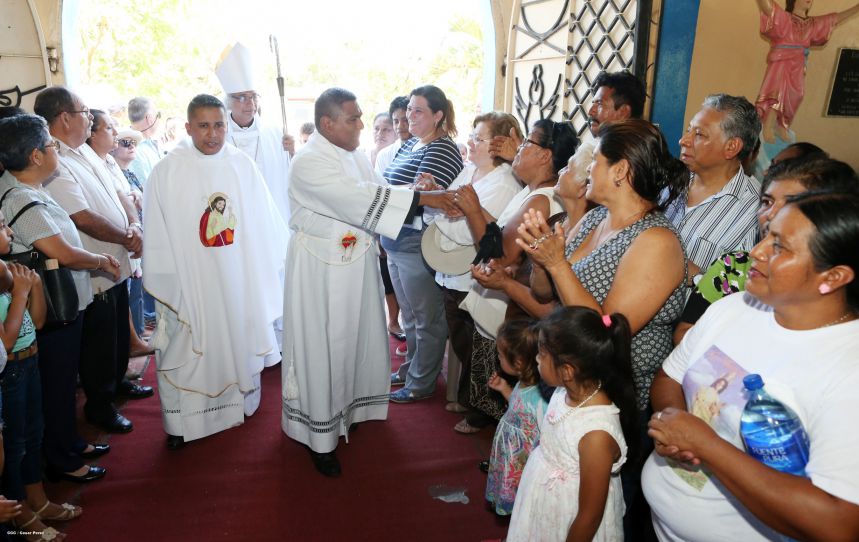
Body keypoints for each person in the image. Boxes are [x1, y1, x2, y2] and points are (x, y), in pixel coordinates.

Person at [645, 191, 859, 542]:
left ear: (833, 277)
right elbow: (669, 377)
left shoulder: (849, 369)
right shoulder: (734, 307)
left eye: (779, 247)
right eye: (766, 235)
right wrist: (676, 427)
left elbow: (839, 523)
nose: (757, 252)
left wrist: (705, 446)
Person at [517, 119, 688, 534]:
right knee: (559, 496)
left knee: (598, 512)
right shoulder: (597, 220)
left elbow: (607, 329)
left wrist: (558, 264)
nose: (587, 169)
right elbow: (545, 293)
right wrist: (541, 259)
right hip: (575, 385)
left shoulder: (657, 241)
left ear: (620, 170)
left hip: (618, 400)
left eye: (595, 160)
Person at [281, 87, 457, 477]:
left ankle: (348, 408)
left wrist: (416, 191)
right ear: (327, 123)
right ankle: (319, 434)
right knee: (323, 345)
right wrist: (424, 200)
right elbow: (354, 198)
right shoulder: (309, 162)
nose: (362, 124)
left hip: (355, 264)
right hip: (320, 269)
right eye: (353, 118)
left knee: (355, 337)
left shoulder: (355, 155)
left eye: (360, 116)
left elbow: (379, 190)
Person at [144, 94, 287, 450]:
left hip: (237, 277)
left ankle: (239, 405)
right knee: (185, 342)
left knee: (236, 332)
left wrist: (259, 268)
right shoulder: (167, 170)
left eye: (219, 125)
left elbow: (262, 224)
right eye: (204, 126)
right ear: (188, 127)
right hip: (189, 279)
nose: (213, 134)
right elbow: (158, 231)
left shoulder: (241, 165)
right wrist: (172, 276)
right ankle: (183, 423)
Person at [0, 113, 119, 484]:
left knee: (64, 382)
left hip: (62, 302)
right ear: (35, 156)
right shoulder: (21, 199)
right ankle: (62, 459)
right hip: (49, 309)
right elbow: (61, 252)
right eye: (51, 145)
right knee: (56, 385)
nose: (56, 150)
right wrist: (101, 260)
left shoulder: (33, 188)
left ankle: (70, 442)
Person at [454, 118, 576, 433]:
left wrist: (472, 209)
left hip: (510, 305)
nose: (518, 149)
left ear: (546, 155)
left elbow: (500, 255)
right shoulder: (532, 191)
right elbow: (504, 233)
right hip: (503, 299)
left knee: (508, 400)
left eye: (527, 143)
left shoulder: (541, 199)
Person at [34, 86, 144, 434]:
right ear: (65, 118)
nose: (89, 119)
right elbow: (81, 216)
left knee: (117, 334)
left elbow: (117, 191)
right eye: (84, 112)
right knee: (100, 344)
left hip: (115, 259)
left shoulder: (84, 151)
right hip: (94, 267)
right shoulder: (54, 159)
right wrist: (125, 237)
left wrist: (134, 225)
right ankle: (100, 406)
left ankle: (118, 382)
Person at [673, 156, 856, 344]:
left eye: (792, 204)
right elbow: (685, 337)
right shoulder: (733, 268)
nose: (771, 214)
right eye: (767, 202)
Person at [506, 307, 635, 541]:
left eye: (541, 354)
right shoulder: (564, 391)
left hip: (572, 520)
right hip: (546, 503)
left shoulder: (596, 434)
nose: (536, 359)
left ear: (567, 371)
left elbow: (590, 516)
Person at [425, 112, 523, 413]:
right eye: (472, 136)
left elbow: (469, 233)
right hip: (451, 271)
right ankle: (470, 400)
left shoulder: (504, 184)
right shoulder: (469, 171)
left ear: (498, 145)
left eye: (478, 139)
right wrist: (440, 201)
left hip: (472, 275)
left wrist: (449, 211)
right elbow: (446, 209)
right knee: (459, 337)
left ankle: (478, 407)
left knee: (474, 342)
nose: (470, 143)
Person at [381, 85, 464, 404]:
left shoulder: (442, 148)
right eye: (409, 109)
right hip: (395, 240)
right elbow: (398, 187)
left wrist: (395, 192)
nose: (410, 116)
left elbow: (421, 196)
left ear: (438, 115)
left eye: (418, 111)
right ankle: (411, 369)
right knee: (411, 317)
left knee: (426, 316)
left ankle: (422, 381)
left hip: (416, 242)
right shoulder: (411, 143)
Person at [664, 94, 762, 277]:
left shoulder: (754, 212)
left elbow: (741, 287)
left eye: (699, 134)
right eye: (688, 130)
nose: (683, 140)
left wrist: (692, 274)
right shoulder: (668, 181)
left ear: (731, 147)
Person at [86, 110, 153, 360]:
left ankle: (131, 345)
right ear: (92, 135)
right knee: (111, 321)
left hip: (127, 243)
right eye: (109, 128)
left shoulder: (109, 162)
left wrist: (134, 225)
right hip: (106, 251)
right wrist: (128, 234)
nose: (115, 133)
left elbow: (122, 194)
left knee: (128, 301)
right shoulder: (88, 163)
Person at [754, 0, 859, 143]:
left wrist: (856, 8)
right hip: (782, 63)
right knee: (777, 93)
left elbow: (834, 19)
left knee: (797, 95)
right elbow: (768, 7)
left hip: (798, 66)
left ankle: (782, 125)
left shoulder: (812, 24)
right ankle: (767, 125)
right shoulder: (785, 19)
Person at [216, 42, 293, 228]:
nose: (250, 103)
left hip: (270, 216)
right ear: (229, 101)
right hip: (235, 218)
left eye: (253, 96)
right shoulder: (218, 135)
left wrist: (291, 153)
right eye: (243, 97)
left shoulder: (274, 133)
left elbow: (288, 175)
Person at [484, 319, 547, 516]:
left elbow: (546, 434)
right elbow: (518, 406)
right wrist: (504, 388)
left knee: (523, 504)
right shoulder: (523, 382)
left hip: (523, 461)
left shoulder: (541, 399)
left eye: (500, 355)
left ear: (518, 362)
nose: (498, 358)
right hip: (510, 455)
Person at [375, 96, 411, 345]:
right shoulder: (386, 155)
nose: (400, 126)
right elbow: (380, 194)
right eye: (396, 121)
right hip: (390, 230)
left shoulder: (426, 148)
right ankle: (396, 322)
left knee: (415, 301)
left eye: (404, 120)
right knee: (392, 283)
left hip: (413, 232)